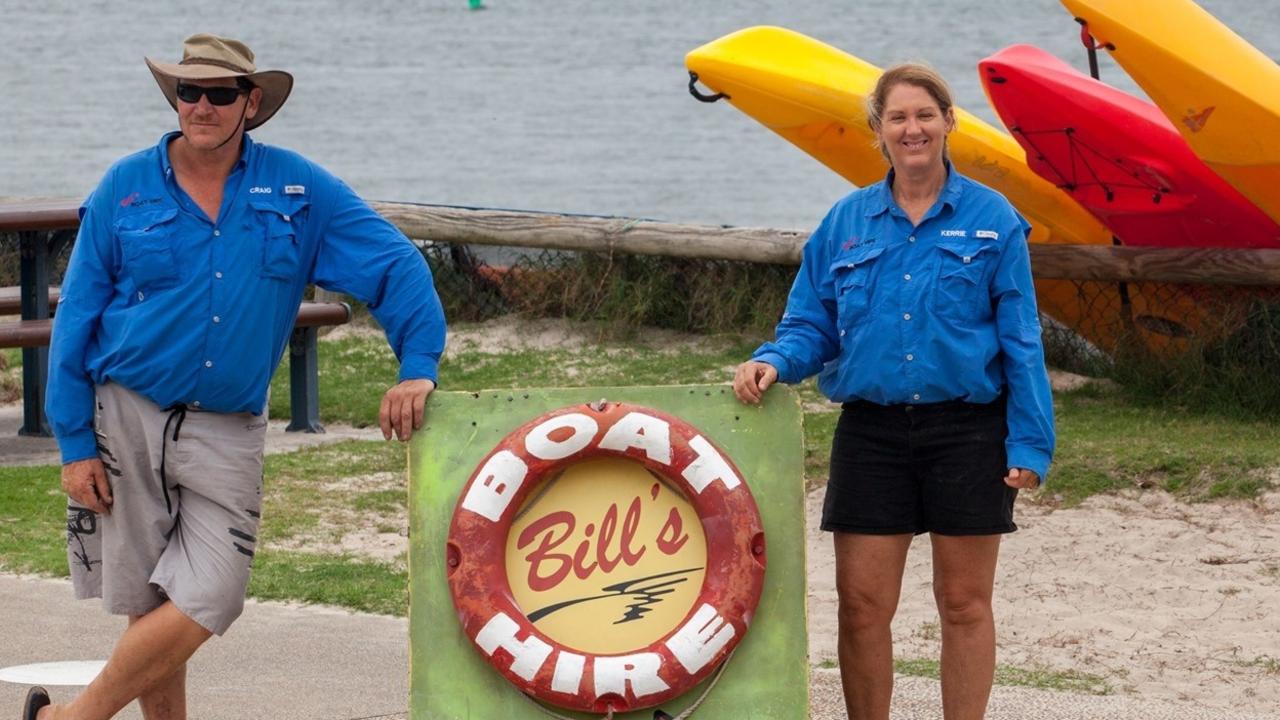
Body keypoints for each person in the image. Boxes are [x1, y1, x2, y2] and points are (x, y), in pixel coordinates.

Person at [25, 33, 447, 720]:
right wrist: (74, 444)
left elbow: (397, 267)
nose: (202, 105)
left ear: (250, 103)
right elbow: (77, 317)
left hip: (229, 428)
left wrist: (417, 367)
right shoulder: (123, 189)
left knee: (212, 595)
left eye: (220, 93)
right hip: (124, 415)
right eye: (189, 92)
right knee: (150, 604)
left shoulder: (302, 189)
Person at [732, 63, 1054, 720]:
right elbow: (810, 322)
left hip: (969, 433)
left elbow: (1022, 339)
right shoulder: (845, 223)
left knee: (963, 606)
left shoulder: (994, 221)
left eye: (925, 115)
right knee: (861, 608)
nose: (913, 129)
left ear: (948, 122)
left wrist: (1031, 439)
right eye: (898, 117)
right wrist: (775, 361)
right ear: (879, 131)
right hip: (872, 434)